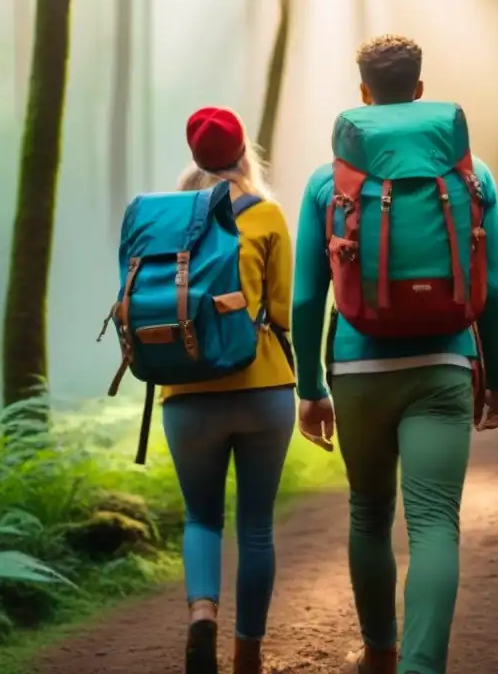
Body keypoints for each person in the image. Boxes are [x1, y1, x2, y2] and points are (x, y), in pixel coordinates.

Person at [290, 35, 498, 674]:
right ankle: (422, 667)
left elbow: (307, 300)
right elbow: (495, 286)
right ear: (419, 88)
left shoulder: (326, 183)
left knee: (369, 513)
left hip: (358, 370)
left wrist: (309, 387)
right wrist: (496, 378)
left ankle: (382, 654)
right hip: (443, 365)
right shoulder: (471, 175)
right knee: (436, 524)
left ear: (363, 93)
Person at [163, 107, 296, 674]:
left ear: (194, 158)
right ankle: (247, 654)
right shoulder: (266, 216)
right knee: (257, 525)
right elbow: (286, 310)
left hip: (186, 392)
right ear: (245, 153)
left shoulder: (165, 220)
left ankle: (201, 616)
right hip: (262, 387)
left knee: (201, 518)